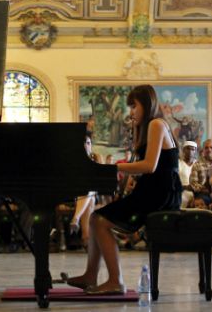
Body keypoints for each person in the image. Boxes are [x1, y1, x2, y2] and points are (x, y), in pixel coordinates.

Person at [66, 84, 181, 295]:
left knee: (99, 220)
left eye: (133, 106)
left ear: (146, 104)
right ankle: (91, 275)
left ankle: (115, 281)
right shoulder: (150, 126)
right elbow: (144, 166)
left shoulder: (156, 124)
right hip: (153, 190)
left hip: (160, 194)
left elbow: (149, 166)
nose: (131, 111)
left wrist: (111, 167)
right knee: (94, 218)